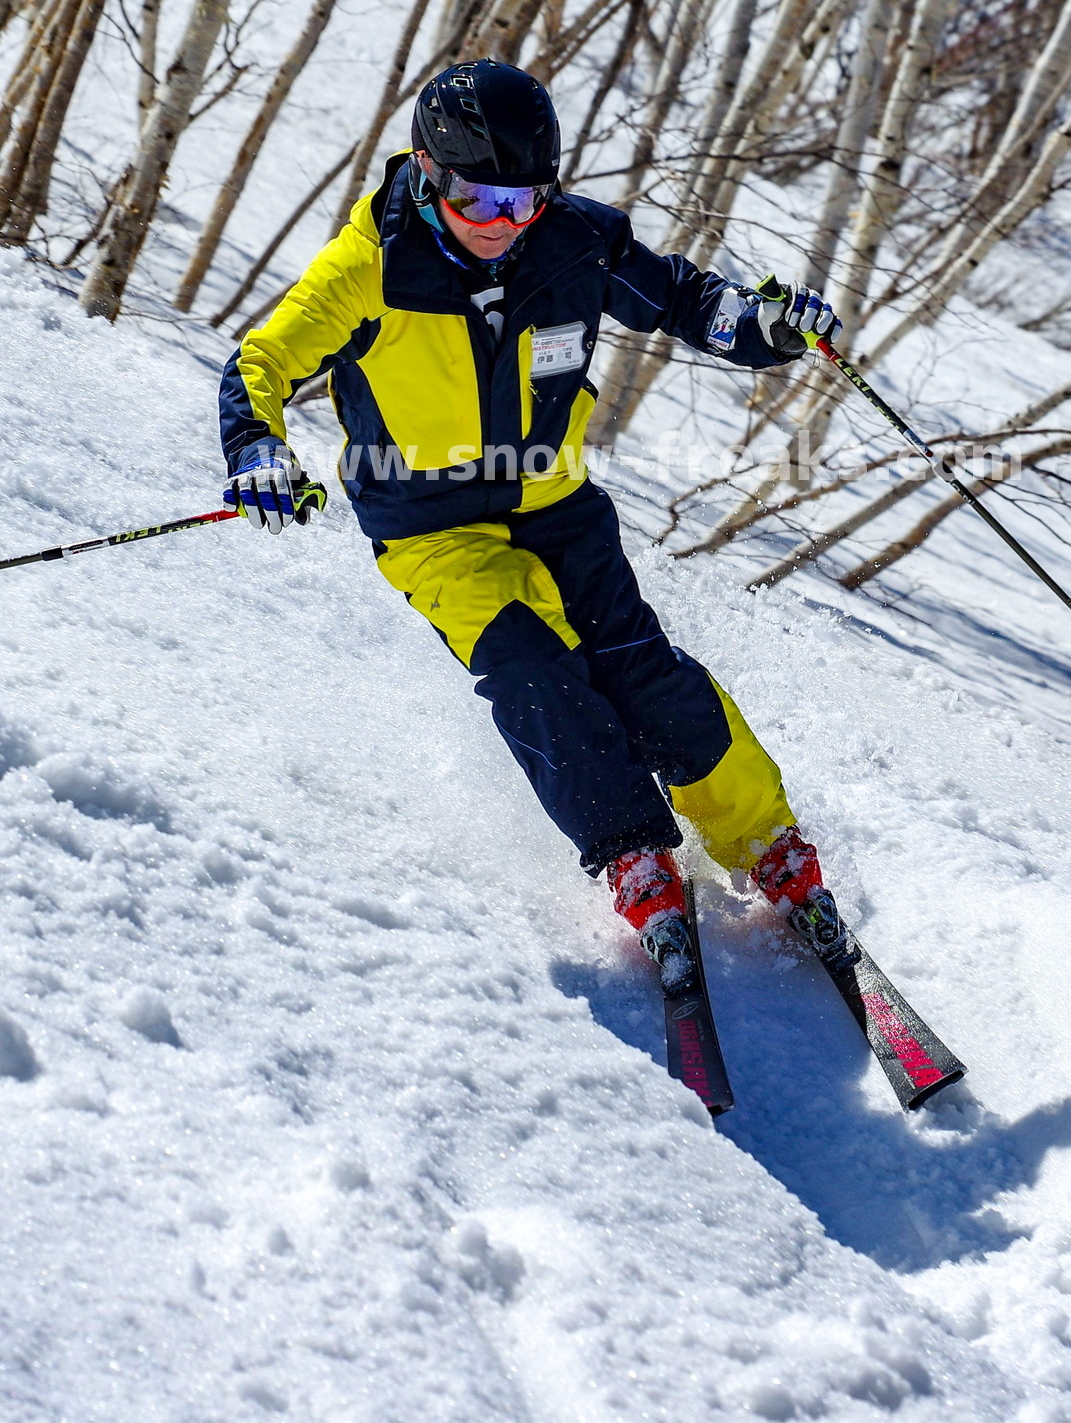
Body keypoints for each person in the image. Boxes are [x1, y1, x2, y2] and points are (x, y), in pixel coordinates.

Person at [219, 59, 849, 994]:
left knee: (641, 667)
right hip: (432, 529)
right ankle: (632, 853)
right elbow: (259, 364)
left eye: (526, 201)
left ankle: (766, 842)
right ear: (432, 174)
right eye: (481, 200)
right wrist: (256, 451)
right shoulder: (369, 267)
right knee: (532, 671)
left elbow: (683, 298)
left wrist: (760, 327)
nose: (504, 225)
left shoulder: (574, 242)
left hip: (555, 506)